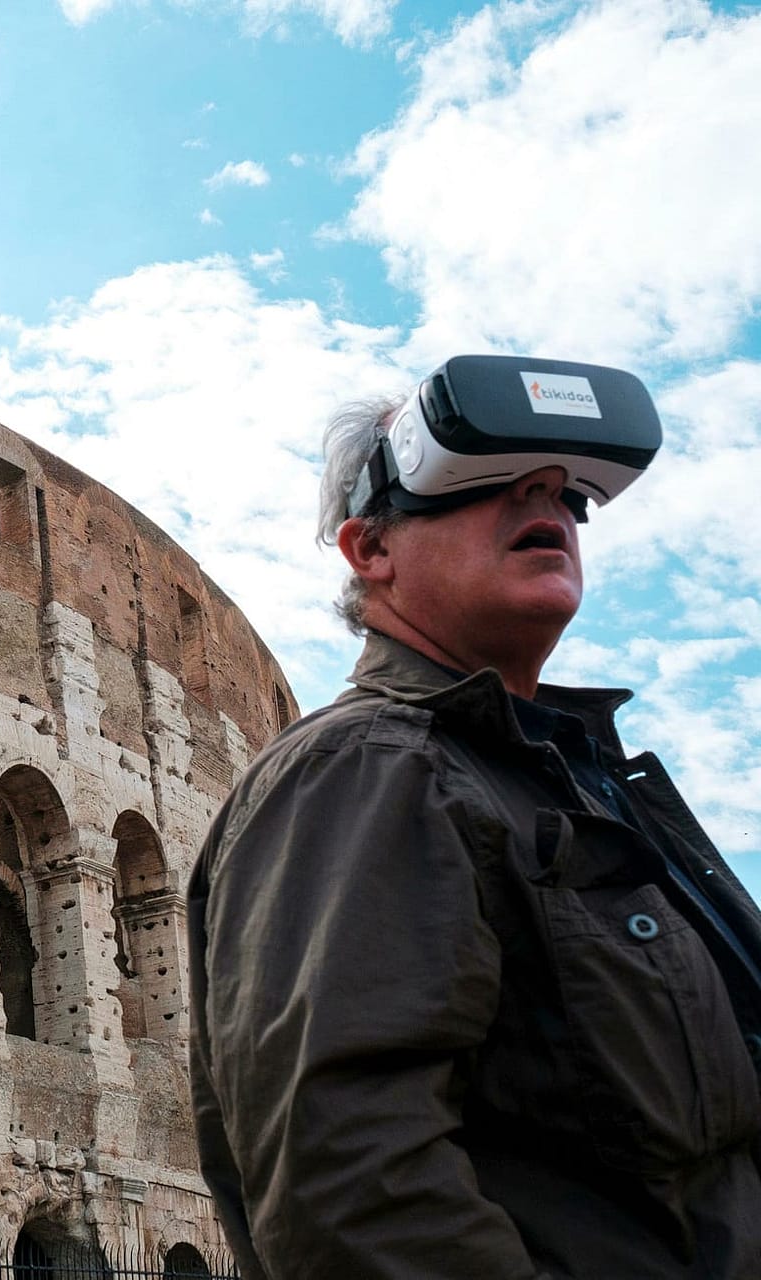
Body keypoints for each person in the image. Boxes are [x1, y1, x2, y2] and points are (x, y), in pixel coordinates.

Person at [189, 358, 761, 1279]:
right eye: (485, 472)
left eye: (571, 493)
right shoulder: (368, 769)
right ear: (370, 549)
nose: (546, 495)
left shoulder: (562, 784)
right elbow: (357, 1192)